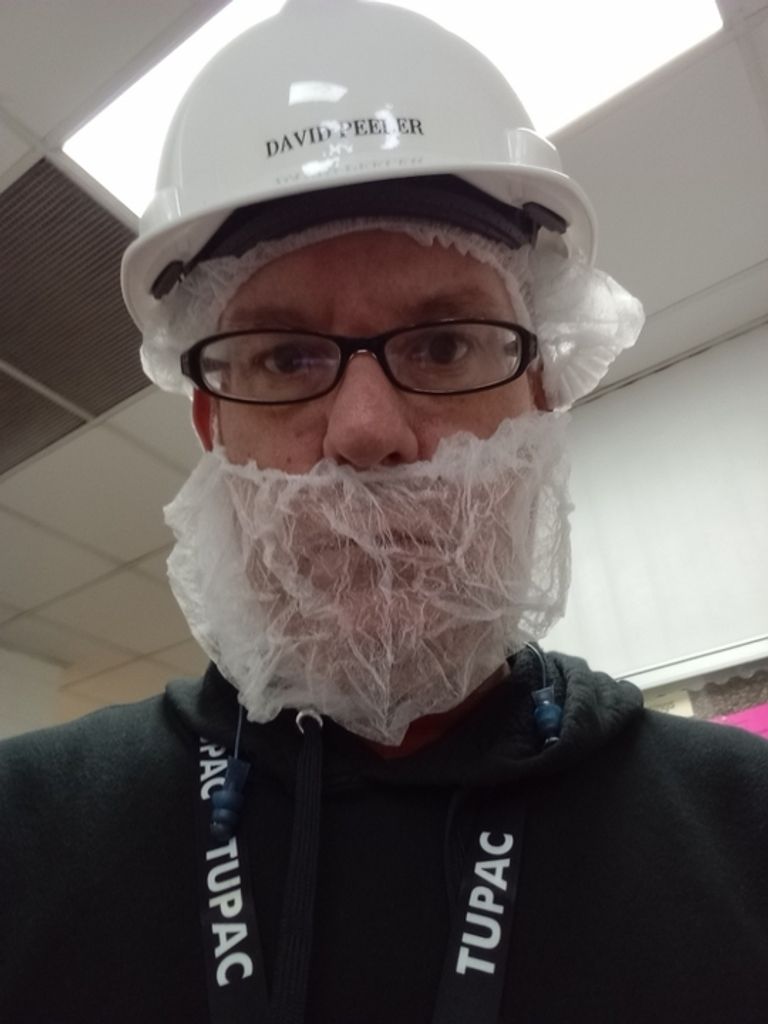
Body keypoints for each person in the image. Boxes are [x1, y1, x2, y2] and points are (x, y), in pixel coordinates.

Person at [1, 1, 767, 1022]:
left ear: (542, 394)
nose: (365, 431)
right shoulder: (23, 836)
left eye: (444, 344)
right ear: (211, 424)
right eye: (285, 357)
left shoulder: (745, 828)